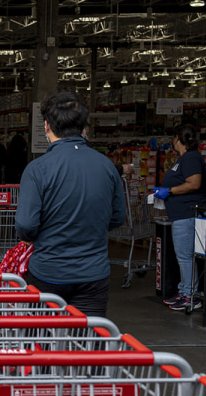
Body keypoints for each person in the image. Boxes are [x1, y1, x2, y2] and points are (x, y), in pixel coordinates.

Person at [16, 93, 127, 317]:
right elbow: (117, 216)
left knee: (43, 343)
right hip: (93, 274)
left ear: (46, 126)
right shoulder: (106, 166)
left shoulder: (38, 169)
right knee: (87, 342)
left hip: (48, 271)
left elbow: (26, 225)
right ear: (84, 128)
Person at [154, 125, 206, 312]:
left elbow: (194, 183)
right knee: (184, 256)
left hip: (187, 214)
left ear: (179, 138)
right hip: (181, 214)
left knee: (185, 256)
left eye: (173, 137)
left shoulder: (191, 157)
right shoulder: (184, 158)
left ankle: (190, 295)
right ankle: (185, 290)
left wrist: (169, 191)